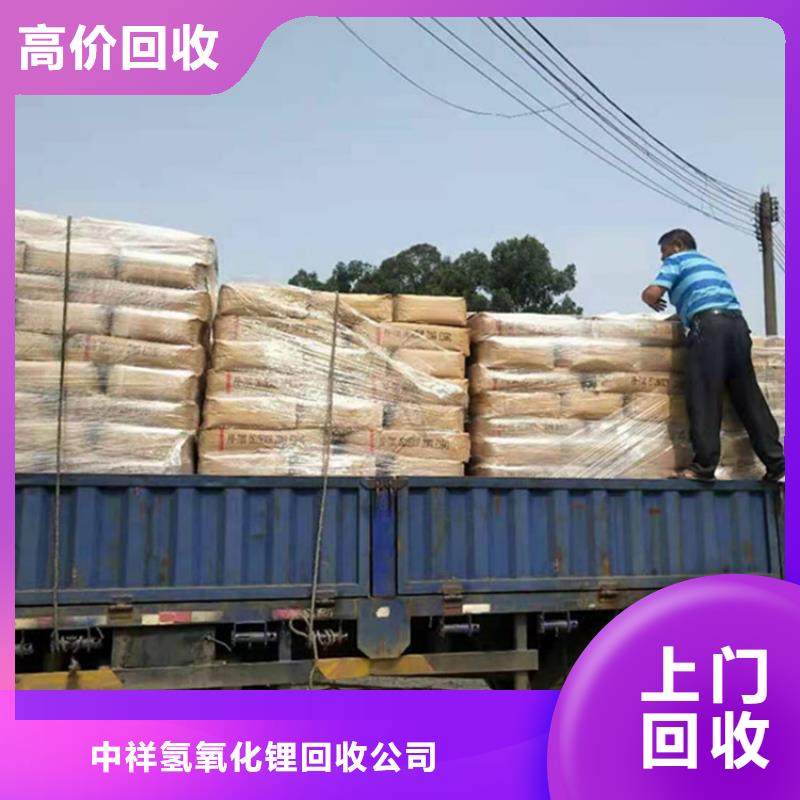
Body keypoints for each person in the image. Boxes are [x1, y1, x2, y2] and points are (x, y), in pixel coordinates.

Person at [641, 229, 784, 482]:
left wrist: (648, 297)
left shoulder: (678, 260)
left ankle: (704, 467)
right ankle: (778, 463)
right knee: (748, 397)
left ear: (677, 245)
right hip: (737, 327)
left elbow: (653, 293)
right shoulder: (711, 264)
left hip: (709, 328)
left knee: (704, 394)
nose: (662, 258)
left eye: (663, 252)